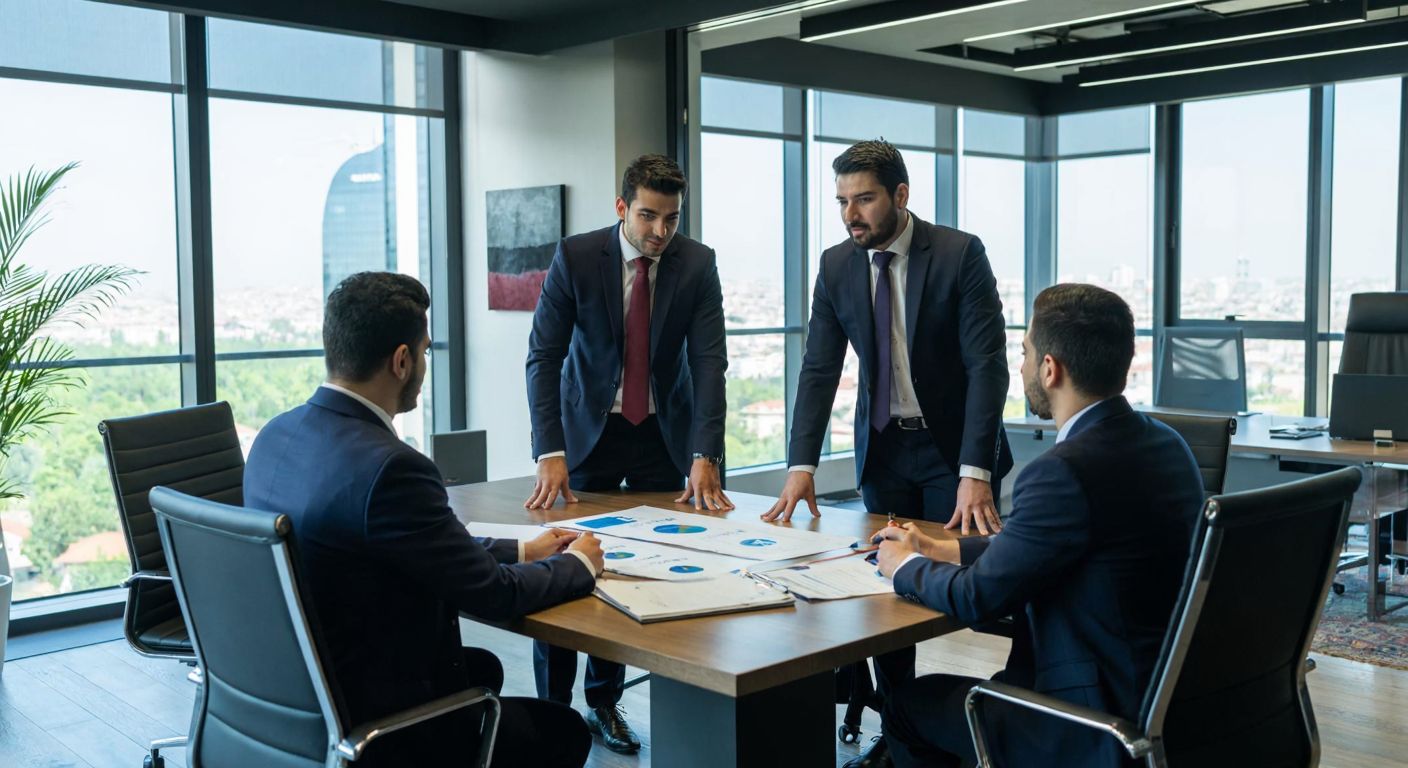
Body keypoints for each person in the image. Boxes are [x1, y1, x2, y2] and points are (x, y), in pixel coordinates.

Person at [244, 272, 602, 768]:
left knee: (484, 670)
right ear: (402, 361)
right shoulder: (393, 468)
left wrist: (523, 549)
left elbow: (415, 546)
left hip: (297, 696)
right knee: (562, 731)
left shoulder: (274, 437)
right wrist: (579, 565)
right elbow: (493, 594)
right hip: (376, 719)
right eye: (426, 351)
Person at [870, 283, 1205, 768]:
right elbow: (1062, 543)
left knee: (906, 707)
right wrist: (945, 551)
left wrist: (904, 565)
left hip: (1088, 721)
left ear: (1050, 368)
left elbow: (977, 598)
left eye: (1024, 352)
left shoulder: (1062, 471)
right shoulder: (1167, 444)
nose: (1021, 366)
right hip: (1168, 701)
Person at [763, 140, 1013, 765]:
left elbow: (988, 365)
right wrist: (802, 466)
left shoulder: (958, 253)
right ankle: (900, 728)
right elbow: (820, 368)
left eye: (864, 199)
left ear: (901, 196)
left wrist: (974, 470)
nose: (852, 215)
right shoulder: (836, 264)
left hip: (952, 454)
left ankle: (999, 715)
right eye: (843, 201)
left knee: (970, 581)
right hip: (884, 450)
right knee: (884, 590)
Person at [523, 153, 729, 753]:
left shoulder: (697, 263)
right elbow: (544, 357)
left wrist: (705, 451)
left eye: (671, 218)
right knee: (560, 564)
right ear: (621, 208)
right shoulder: (578, 256)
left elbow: (710, 362)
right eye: (648, 216)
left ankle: (603, 702)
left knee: (643, 566)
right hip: (587, 432)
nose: (660, 232)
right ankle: (549, 709)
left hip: (663, 433)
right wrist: (550, 449)